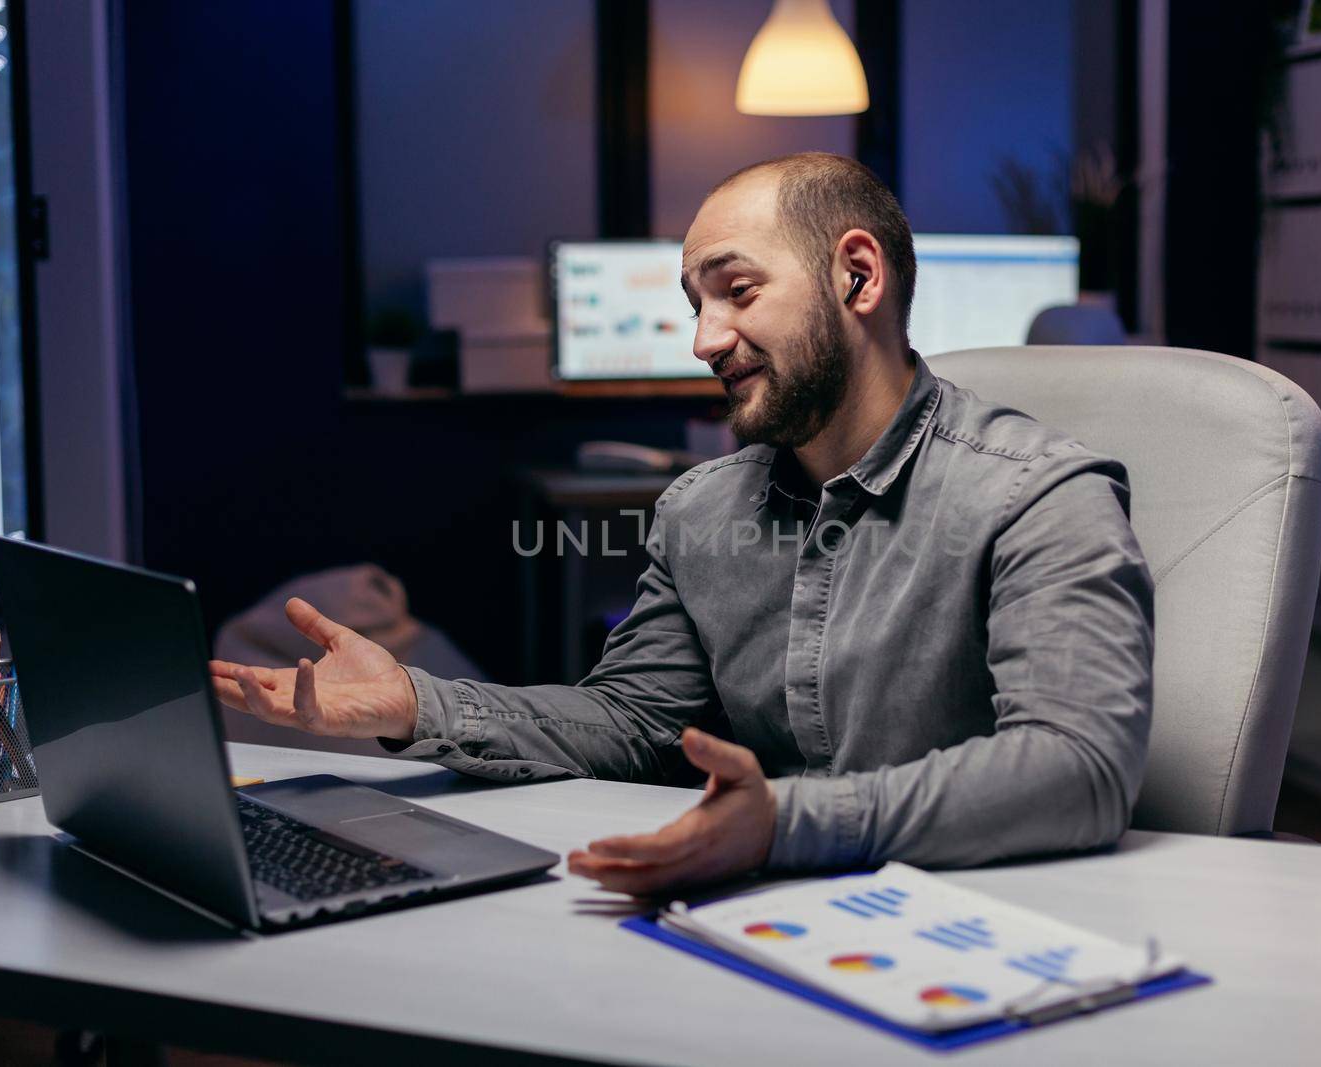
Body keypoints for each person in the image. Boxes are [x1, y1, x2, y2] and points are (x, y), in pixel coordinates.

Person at [211, 152, 1154, 895]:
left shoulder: (1040, 493)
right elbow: (630, 722)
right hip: (760, 916)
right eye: (694, 305)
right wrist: (419, 704)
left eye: (737, 291)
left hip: (992, 936)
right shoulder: (699, 508)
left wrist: (785, 821)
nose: (702, 339)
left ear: (857, 277)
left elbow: (1077, 770)